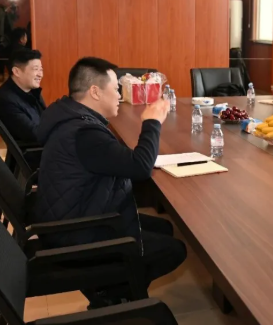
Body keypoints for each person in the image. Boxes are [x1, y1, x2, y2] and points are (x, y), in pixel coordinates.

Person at [33, 57, 186, 306]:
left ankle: (118, 288)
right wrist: (152, 122)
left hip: (75, 214)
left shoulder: (70, 117)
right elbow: (140, 167)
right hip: (75, 233)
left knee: (164, 228)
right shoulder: (84, 133)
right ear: (95, 92)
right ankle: (114, 294)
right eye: (116, 89)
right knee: (174, 249)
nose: (119, 96)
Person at [0, 49, 45, 144]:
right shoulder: (6, 99)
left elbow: (47, 119)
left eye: (41, 69)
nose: (40, 74)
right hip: (34, 151)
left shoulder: (33, 91)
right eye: (36, 69)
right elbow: (34, 134)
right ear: (17, 72)